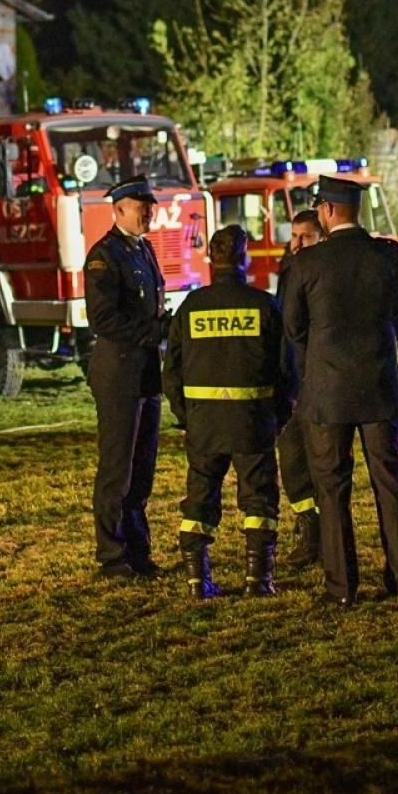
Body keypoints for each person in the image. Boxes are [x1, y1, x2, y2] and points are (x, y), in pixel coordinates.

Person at [283, 174, 398, 606]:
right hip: (378, 384)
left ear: (326, 210)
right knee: (389, 481)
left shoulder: (308, 263)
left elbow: (293, 328)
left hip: (328, 390)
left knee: (332, 487)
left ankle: (342, 586)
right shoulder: (388, 255)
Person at [163, 226, 296, 598]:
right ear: (244, 258)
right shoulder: (264, 305)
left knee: (200, 497)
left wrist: (186, 416)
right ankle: (258, 580)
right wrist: (278, 416)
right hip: (252, 422)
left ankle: (197, 582)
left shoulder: (191, 307)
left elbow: (171, 371)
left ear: (211, 257)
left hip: (204, 425)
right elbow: (287, 370)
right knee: (259, 499)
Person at [85, 175, 167, 581]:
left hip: (145, 372)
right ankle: (112, 554)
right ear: (118, 210)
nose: (148, 213)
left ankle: (138, 550)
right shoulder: (105, 256)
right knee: (117, 469)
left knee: (142, 469)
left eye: (150, 207)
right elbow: (103, 319)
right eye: (141, 207)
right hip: (119, 373)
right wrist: (156, 332)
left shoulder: (143, 249)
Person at [276, 208, 325, 571]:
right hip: (292, 377)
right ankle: (310, 527)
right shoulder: (290, 268)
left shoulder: (324, 271)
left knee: (318, 459)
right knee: (292, 457)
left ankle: (320, 534)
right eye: (294, 236)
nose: (297, 244)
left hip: (317, 378)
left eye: (305, 236)